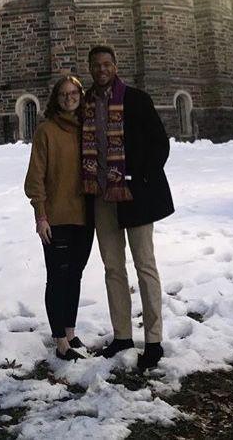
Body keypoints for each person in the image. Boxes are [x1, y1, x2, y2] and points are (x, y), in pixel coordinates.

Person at [82, 45, 174, 371]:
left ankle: (153, 339)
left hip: (135, 195)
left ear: (115, 66)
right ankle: (122, 335)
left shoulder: (136, 99)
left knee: (145, 266)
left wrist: (139, 177)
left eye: (107, 64)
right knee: (112, 268)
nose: (102, 69)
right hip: (103, 197)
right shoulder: (87, 103)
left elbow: (160, 144)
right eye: (96, 65)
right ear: (91, 69)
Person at [24, 75, 94, 361]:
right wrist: (41, 215)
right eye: (63, 94)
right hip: (56, 217)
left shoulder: (87, 129)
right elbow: (35, 177)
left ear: (80, 95)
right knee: (58, 277)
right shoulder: (46, 130)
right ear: (56, 98)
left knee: (74, 275)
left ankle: (70, 330)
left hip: (85, 216)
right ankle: (59, 341)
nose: (69, 98)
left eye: (73, 93)